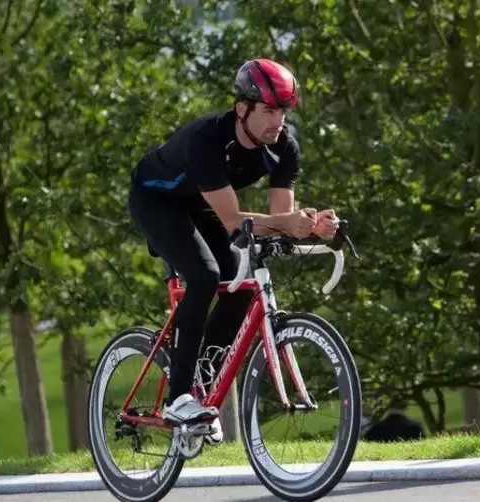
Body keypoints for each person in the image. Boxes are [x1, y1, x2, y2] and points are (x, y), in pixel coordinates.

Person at [127, 58, 340, 442]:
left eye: (284, 111)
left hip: (203, 204)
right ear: (243, 109)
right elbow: (233, 222)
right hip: (157, 201)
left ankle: (201, 382)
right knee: (205, 275)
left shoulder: (284, 147)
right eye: (270, 110)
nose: (279, 121)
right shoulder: (207, 140)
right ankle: (179, 399)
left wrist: (312, 227)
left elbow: (280, 220)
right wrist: (289, 223)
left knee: (239, 283)